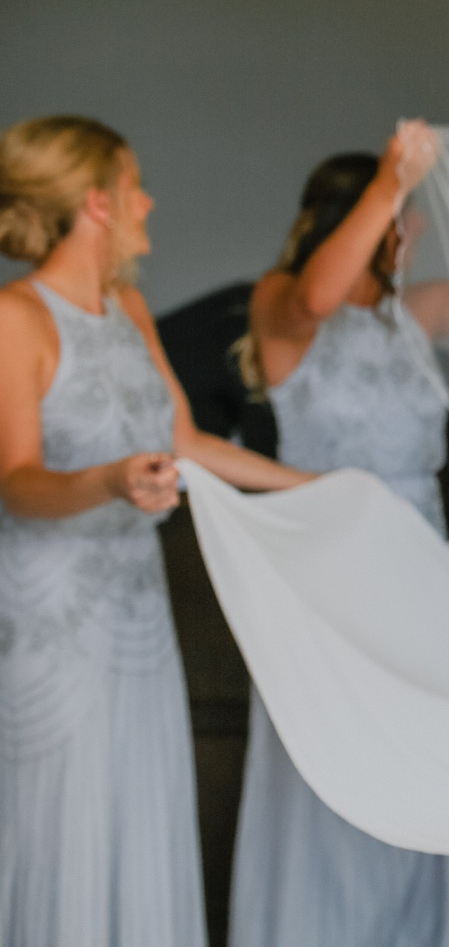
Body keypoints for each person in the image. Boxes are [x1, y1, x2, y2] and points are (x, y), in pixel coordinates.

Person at [0, 116, 310, 947]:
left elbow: (187, 439)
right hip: (54, 619)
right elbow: (16, 482)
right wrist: (107, 478)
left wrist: (318, 486)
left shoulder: (128, 303)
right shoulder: (15, 318)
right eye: (135, 184)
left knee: (140, 801)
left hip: (138, 613)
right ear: (96, 203)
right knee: (66, 817)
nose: (150, 200)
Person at [229, 121, 449, 947]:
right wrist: (392, 183)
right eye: (402, 219)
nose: (414, 232)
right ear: (359, 215)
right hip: (324, 559)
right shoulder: (278, 301)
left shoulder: (417, 312)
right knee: (327, 753)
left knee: (414, 748)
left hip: (416, 557)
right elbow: (321, 299)